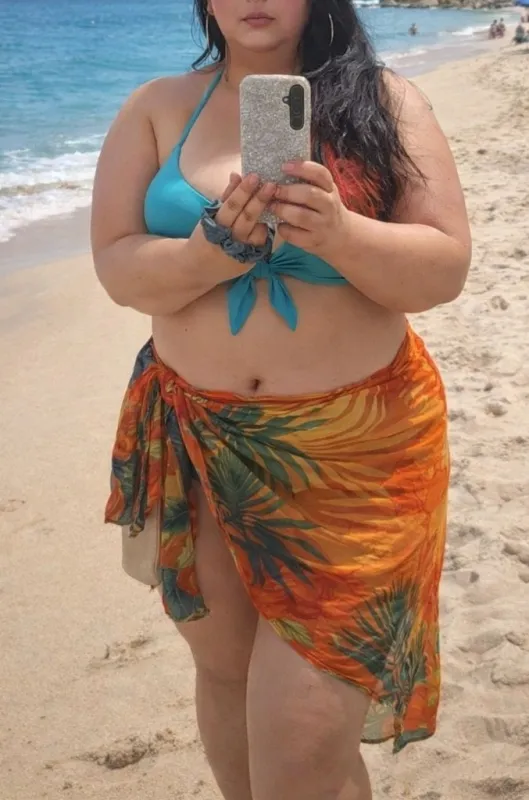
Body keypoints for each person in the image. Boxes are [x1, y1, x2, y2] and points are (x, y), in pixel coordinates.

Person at [91, 1, 471, 798]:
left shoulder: (385, 102)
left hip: (357, 455)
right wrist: (207, 255)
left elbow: (441, 268)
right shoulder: (156, 106)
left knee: (300, 738)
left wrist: (338, 233)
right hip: (198, 436)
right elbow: (119, 266)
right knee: (227, 675)